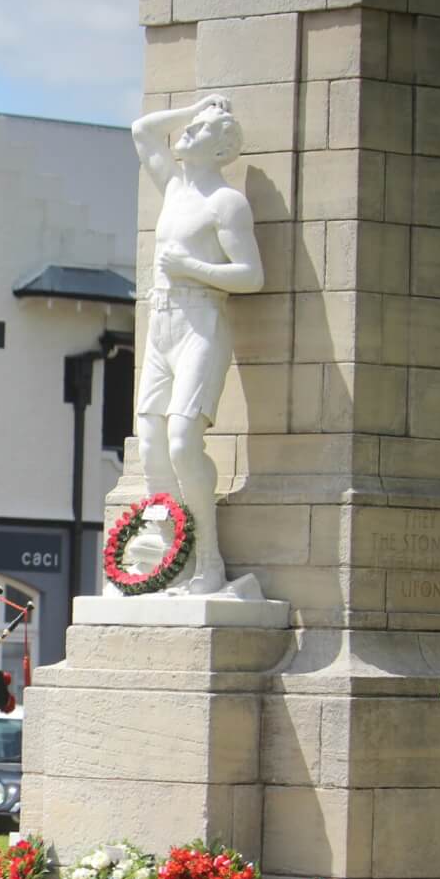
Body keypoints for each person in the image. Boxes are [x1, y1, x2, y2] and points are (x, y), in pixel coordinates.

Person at [131, 93, 264, 594]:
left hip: (201, 321)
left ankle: (209, 559)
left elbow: (251, 274)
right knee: (151, 445)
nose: (186, 133)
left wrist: (193, 267)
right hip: (161, 324)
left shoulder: (225, 202)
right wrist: (195, 110)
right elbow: (143, 130)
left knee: (183, 442)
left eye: (201, 129)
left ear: (222, 149)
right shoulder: (173, 189)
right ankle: (171, 556)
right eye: (190, 126)